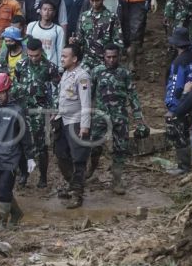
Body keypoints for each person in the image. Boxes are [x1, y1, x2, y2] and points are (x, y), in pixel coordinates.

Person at [88, 44, 144, 193]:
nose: (111, 60)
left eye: (114, 57)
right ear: (104, 57)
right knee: (94, 146)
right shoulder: (97, 72)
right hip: (100, 116)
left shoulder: (124, 73)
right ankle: (89, 171)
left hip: (120, 117)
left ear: (118, 57)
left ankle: (117, 181)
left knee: (120, 149)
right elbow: (88, 94)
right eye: (108, 57)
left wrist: (139, 119)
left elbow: (133, 96)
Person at [0, 74, 34, 228]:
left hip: (9, 158)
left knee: (4, 190)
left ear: (8, 90)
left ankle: (2, 223)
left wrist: (29, 157)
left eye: (2, 93)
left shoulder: (17, 110)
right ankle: (16, 213)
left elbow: (25, 135)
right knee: (0, 192)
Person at [14, 38, 61, 187]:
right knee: (21, 143)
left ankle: (43, 177)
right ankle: (24, 174)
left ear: (41, 52)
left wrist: (54, 108)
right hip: (23, 109)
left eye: (36, 55)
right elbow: (17, 85)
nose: (33, 58)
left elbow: (55, 90)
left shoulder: (50, 67)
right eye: (31, 55)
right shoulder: (20, 65)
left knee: (41, 146)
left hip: (41, 110)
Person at [54, 44, 91, 208]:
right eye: (61, 56)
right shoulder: (66, 74)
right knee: (61, 153)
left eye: (65, 56)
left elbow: (86, 102)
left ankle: (77, 193)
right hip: (63, 119)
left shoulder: (82, 76)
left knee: (79, 159)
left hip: (76, 122)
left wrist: (85, 126)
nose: (62, 59)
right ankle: (72, 184)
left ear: (74, 59)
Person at [164, 27, 192, 175]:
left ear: (176, 44)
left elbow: (175, 87)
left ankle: (183, 166)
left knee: (179, 132)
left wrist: (172, 106)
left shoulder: (178, 62)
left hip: (182, 102)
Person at [72, 0, 123, 72]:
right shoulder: (84, 16)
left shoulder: (112, 17)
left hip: (105, 61)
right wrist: (74, 40)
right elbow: (80, 39)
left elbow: (118, 41)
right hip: (87, 61)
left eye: (97, 0)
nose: (94, 4)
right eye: (92, 1)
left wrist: (113, 60)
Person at [26, 0, 66, 66]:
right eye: (44, 9)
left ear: (54, 12)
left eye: (50, 10)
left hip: (51, 66)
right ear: (40, 11)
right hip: (33, 64)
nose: (47, 12)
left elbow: (60, 50)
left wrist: (60, 67)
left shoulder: (58, 30)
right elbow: (27, 46)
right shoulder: (31, 26)